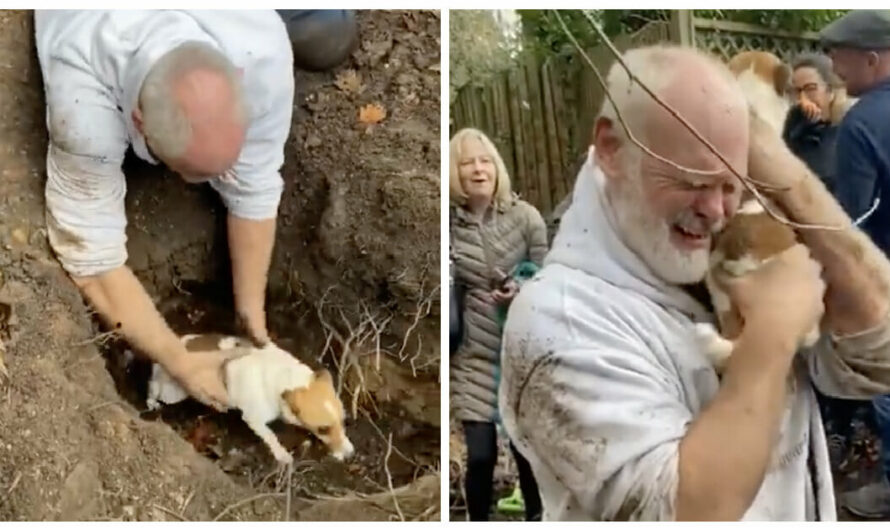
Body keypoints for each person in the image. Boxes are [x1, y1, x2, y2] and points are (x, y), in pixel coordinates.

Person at [499, 45, 890, 521]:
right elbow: (684, 512)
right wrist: (771, 334)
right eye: (691, 180)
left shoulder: (733, 243)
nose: (716, 210)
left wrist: (779, 168)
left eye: (732, 185)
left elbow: (879, 352)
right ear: (611, 148)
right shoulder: (557, 318)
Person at [34, 10, 354, 412]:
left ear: (239, 78)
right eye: (188, 173)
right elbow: (92, 262)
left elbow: (254, 183)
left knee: (331, 34)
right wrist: (178, 360)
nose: (194, 186)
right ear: (138, 121)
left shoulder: (261, 50)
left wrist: (251, 318)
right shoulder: (83, 111)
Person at [449, 128, 547, 521]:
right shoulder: (448, 226)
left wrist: (521, 286)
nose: (478, 169)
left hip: (522, 351)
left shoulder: (526, 217)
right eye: (468, 162)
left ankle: (538, 518)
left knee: (527, 454)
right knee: (481, 456)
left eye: (485, 160)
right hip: (474, 355)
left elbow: (550, 271)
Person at [820, 9, 890, 518]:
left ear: (873, 58)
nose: (833, 67)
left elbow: (853, 223)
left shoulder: (861, 124)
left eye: (840, 57)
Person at [782, 52, 851, 193]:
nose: (803, 99)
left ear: (830, 90)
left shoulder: (847, 126)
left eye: (810, 89)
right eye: (797, 91)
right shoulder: (795, 120)